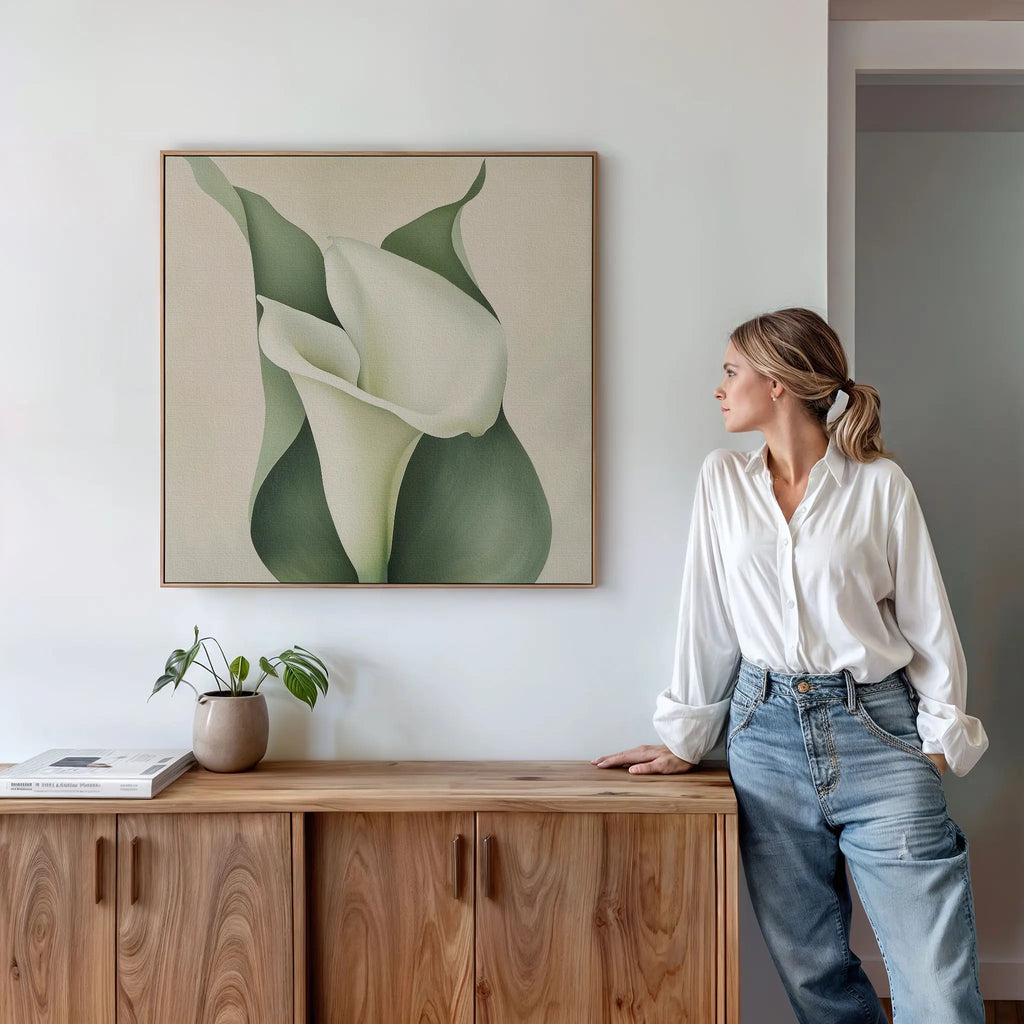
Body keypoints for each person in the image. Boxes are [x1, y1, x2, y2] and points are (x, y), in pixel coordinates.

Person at [593, 308, 988, 1024]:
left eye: (730, 371)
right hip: (764, 736)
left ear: (777, 384)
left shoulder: (879, 486)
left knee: (936, 986)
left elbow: (929, 621)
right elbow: (705, 616)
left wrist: (936, 741)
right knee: (815, 978)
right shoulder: (722, 482)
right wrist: (687, 737)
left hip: (879, 730)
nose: (719, 388)